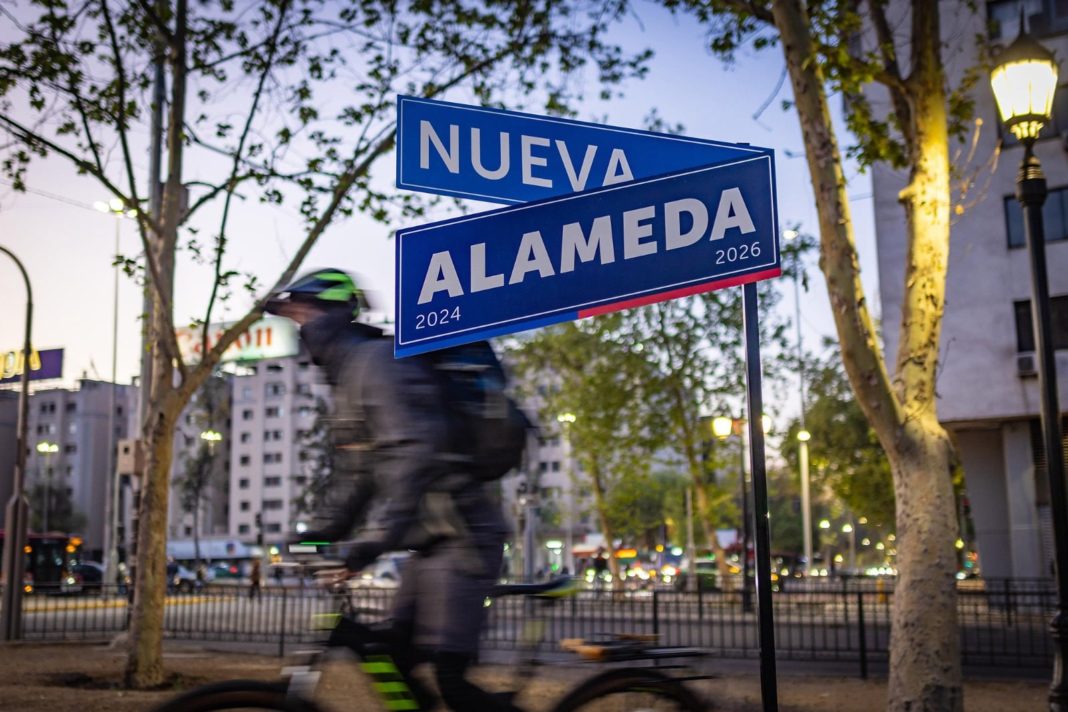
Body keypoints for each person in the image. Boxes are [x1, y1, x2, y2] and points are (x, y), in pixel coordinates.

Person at [266, 268, 515, 712]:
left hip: (464, 538)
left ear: (332, 314)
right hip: (431, 543)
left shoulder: (377, 362)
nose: (298, 327)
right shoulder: (347, 380)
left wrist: (369, 544)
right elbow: (355, 478)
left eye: (303, 314)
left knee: (449, 680)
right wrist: (315, 537)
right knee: (393, 658)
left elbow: (415, 455)